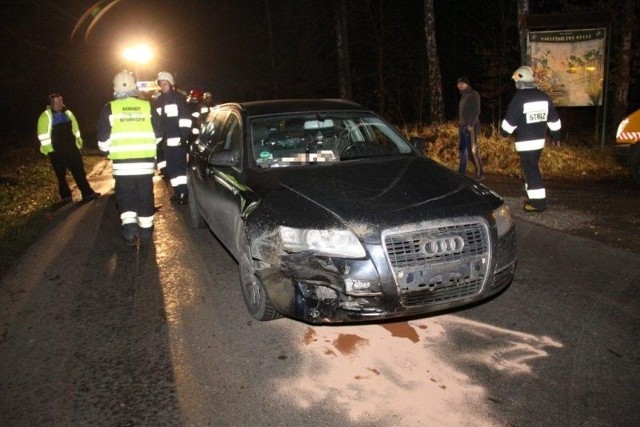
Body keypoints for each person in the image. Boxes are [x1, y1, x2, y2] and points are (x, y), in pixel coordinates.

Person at [97, 70, 162, 245]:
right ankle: (147, 230)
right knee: (145, 195)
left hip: (122, 166)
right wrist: (147, 145)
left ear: (115, 88)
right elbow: (159, 134)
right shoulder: (147, 106)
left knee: (126, 197)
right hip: (145, 163)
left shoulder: (109, 108)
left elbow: (103, 141)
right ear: (135, 87)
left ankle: (130, 231)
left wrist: (109, 150)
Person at [500, 65, 561, 213]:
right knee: (531, 169)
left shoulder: (519, 98)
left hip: (526, 143)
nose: (515, 84)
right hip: (539, 142)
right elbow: (554, 120)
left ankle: (539, 204)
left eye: (516, 81)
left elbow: (509, 124)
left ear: (521, 80)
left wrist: (504, 133)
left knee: (531, 170)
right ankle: (533, 199)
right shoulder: (544, 97)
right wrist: (556, 137)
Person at [37, 93, 100, 203]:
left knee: (79, 171)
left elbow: (75, 129)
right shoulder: (45, 116)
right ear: (50, 104)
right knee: (61, 175)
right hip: (57, 150)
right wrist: (50, 149)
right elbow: (43, 134)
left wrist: (78, 142)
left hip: (71, 148)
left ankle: (87, 193)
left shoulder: (68, 113)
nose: (59, 103)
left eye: (60, 101)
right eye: (56, 102)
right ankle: (66, 197)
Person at [154, 71, 192, 204]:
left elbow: (185, 119)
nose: (163, 86)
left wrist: (183, 136)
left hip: (178, 140)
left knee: (180, 168)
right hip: (166, 142)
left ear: (171, 84)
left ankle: (184, 193)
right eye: (161, 84)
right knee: (171, 169)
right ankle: (177, 191)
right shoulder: (159, 100)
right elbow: (157, 121)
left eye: (165, 83)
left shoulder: (178, 98)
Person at [456, 76, 484, 180]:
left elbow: (477, 111)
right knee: (463, 150)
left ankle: (480, 173)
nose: (459, 85)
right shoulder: (463, 96)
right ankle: (461, 172)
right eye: (458, 84)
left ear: (467, 84)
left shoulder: (473, 94)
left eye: (462, 83)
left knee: (473, 150)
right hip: (462, 126)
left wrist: (470, 124)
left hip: (471, 126)